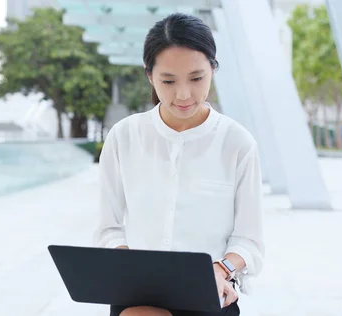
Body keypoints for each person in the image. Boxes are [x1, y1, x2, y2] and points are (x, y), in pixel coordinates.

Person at [94, 13, 265, 316]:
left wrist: (220, 269)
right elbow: (109, 229)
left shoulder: (237, 143)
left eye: (197, 79)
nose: (184, 95)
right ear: (149, 75)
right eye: (168, 81)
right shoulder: (124, 137)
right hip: (137, 293)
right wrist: (131, 268)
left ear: (213, 69)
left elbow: (249, 240)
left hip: (209, 291)